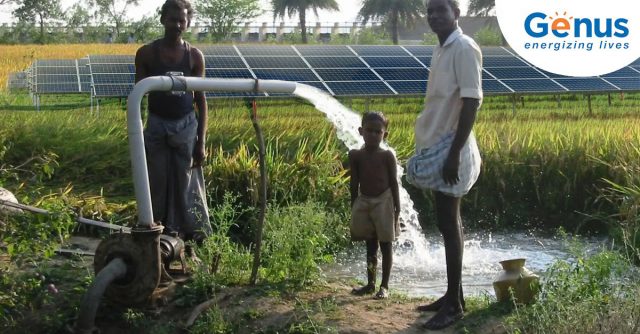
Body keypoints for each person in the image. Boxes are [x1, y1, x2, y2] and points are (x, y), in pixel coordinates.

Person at [410, 0, 483, 330]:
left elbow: (472, 101)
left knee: (449, 223)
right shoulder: (441, 49)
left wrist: (453, 153)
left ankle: (453, 306)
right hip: (439, 144)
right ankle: (454, 296)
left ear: (457, 14)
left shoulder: (464, 47)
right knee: (446, 221)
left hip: (451, 147)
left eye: (442, 9)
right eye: (430, 11)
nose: (435, 16)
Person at [134, 0, 211, 243]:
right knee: (156, 180)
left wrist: (201, 141)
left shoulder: (194, 56)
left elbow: (201, 100)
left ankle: (191, 236)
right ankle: (158, 233)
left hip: (186, 126)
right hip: (157, 125)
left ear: (187, 23)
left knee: (186, 183)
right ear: (162, 20)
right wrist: (137, 134)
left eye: (182, 20)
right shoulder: (147, 53)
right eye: (172, 19)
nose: (177, 25)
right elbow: (138, 97)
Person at [348, 111, 401, 300]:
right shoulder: (355, 155)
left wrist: (397, 208)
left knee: (386, 244)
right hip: (365, 200)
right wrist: (354, 205)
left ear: (385, 135)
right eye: (369, 131)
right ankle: (370, 283)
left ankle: (384, 286)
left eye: (377, 132)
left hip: (384, 200)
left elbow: (394, 183)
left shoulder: (387, 155)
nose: (373, 135)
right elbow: (354, 182)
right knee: (370, 244)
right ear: (361, 131)